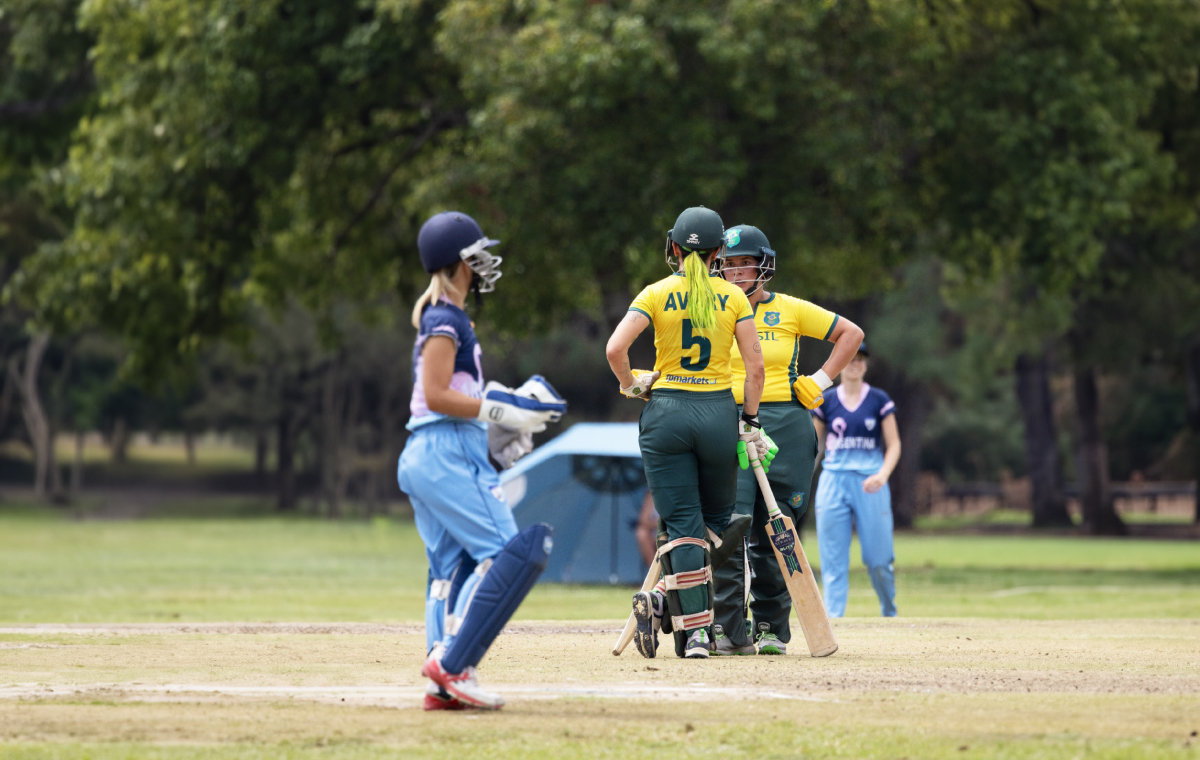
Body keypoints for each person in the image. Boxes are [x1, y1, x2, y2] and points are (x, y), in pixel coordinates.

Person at [398, 211, 568, 710]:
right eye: (476, 255)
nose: (483, 263)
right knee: (504, 555)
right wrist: (500, 410)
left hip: (431, 451)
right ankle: (452, 664)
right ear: (460, 262)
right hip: (447, 448)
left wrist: (490, 431)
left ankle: (442, 677)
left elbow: (444, 394)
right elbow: (435, 394)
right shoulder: (445, 318)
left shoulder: (443, 316)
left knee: (448, 570)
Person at [605, 206, 771, 659]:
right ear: (719, 253)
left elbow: (615, 348)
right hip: (717, 413)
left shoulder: (655, 292)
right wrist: (751, 420)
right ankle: (677, 613)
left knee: (681, 526)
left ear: (674, 248)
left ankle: (681, 620)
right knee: (717, 525)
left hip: (666, 414)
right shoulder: (733, 297)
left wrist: (632, 385)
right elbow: (755, 369)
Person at [711, 224, 864, 656]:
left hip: (785, 422)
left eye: (745, 263)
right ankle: (728, 628)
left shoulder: (790, 308)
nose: (736, 272)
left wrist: (821, 379)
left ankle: (771, 628)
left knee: (778, 528)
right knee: (730, 526)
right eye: (729, 264)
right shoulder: (713, 310)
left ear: (763, 267)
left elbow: (851, 334)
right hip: (729, 419)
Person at [811, 342, 902, 618]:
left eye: (861, 359)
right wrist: (801, 480)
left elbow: (894, 444)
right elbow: (814, 447)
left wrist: (883, 474)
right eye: (851, 358)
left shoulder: (878, 399)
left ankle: (889, 611)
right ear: (840, 363)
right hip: (833, 481)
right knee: (833, 559)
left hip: (870, 483)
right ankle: (834, 620)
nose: (856, 364)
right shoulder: (826, 400)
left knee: (878, 560)